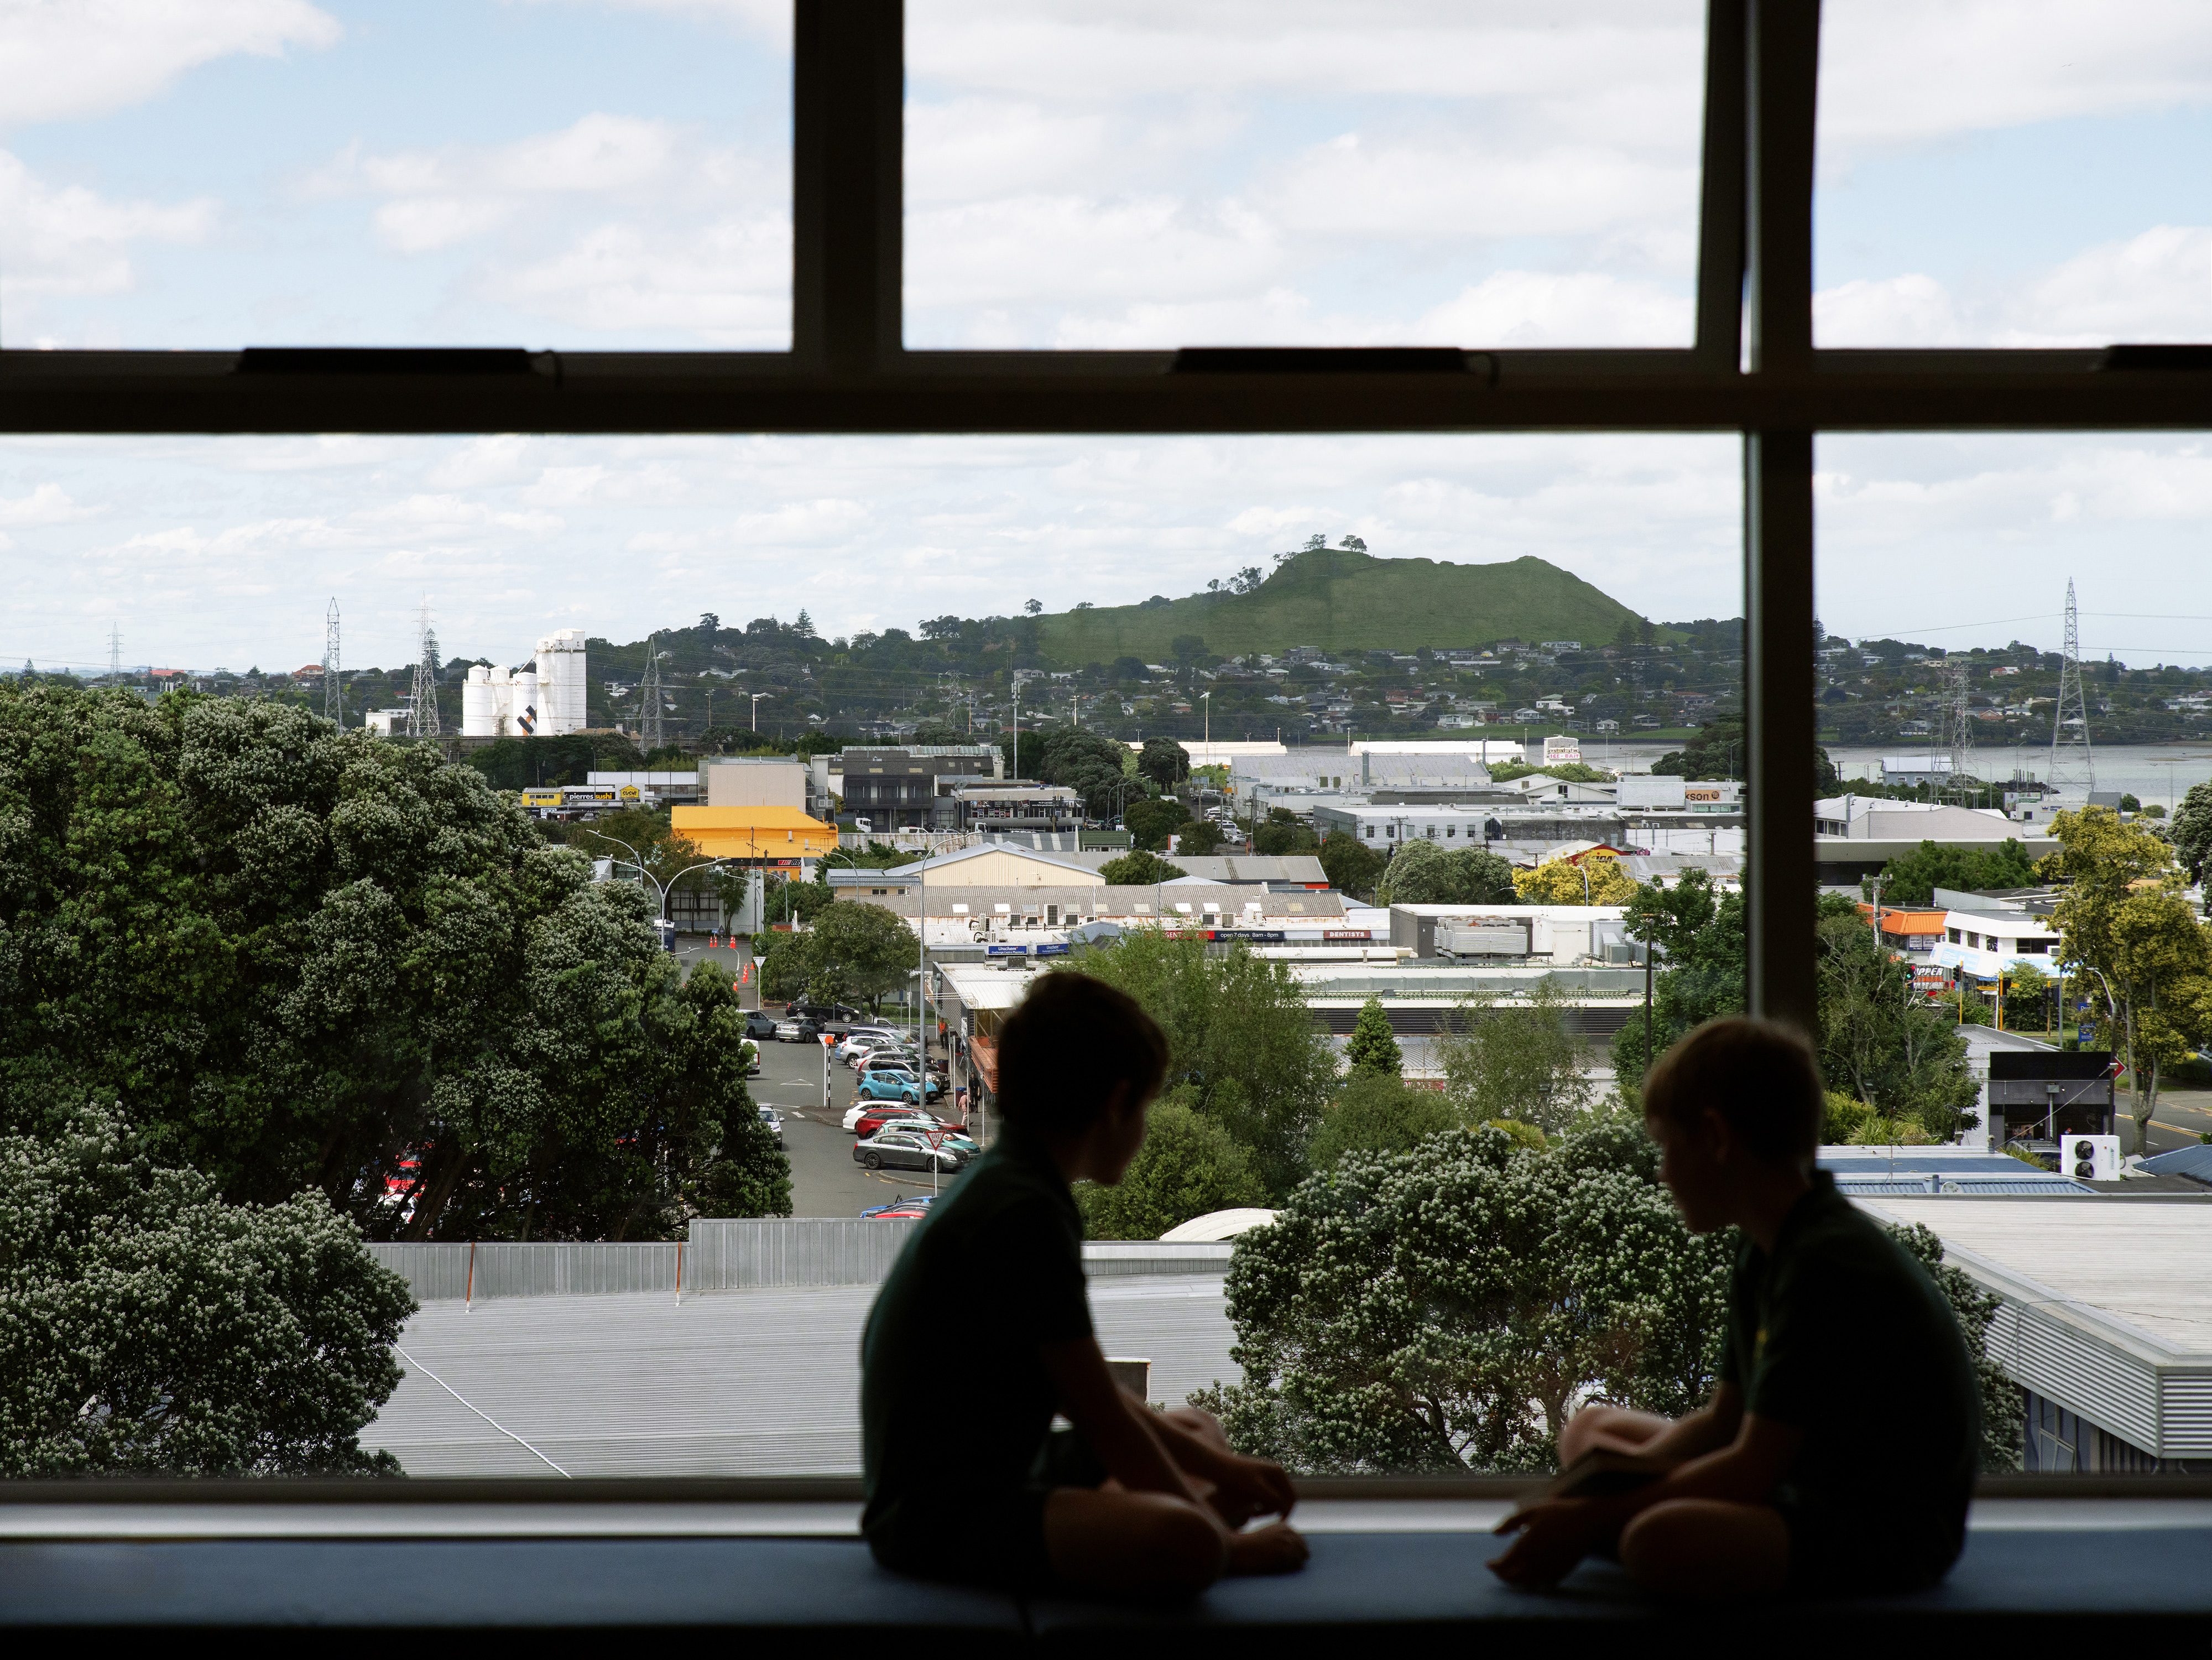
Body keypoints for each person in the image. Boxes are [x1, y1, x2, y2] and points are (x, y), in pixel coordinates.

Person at [1490, 1017, 1980, 1600]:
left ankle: (1612, 1529)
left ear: (1716, 1139)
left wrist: (1596, 1513)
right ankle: (1610, 1521)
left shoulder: (1826, 1263)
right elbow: (1724, 1419)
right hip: (1798, 1473)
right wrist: (1600, 1488)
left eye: (1666, 1146)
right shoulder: (1766, 1241)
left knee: (1657, 1540)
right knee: (1591, 1431)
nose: (1661, 1172)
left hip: (1877, 1524)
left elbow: (1751, 1464)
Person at [860, 971, 1309, 1597]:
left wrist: (1219, 1465)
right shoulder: (1024, 1212)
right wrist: (1225, 1541)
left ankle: (1173, 1515)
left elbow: (1089, 1388)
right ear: (1114, 1104)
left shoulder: (1016, 1178)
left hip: (1006, 1469)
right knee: (1189, 1541)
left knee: (1198, 1431)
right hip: (941, 1516)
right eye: (1145, 1108)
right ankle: (1201, 1537)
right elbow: (1100, 1415)